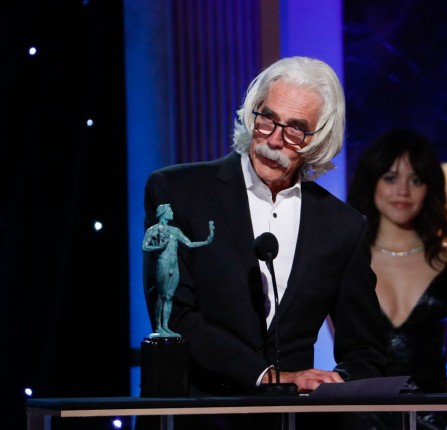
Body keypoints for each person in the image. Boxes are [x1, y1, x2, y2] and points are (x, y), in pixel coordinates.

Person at [142, 56, 388, 428]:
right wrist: (268, 377)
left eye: (295, 130)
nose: (273, 140)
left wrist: (332, 388)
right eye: (267, 119)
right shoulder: (177, 192)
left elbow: (366, 350)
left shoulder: (342, 226)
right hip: (196, 419)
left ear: (319, 139)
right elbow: (174, 319)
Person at [347, 129, 447, 430]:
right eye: (390, 178)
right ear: (372, 182)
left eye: (416, 180)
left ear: (430, 188)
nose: (403, 190)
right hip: (362, 418)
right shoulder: (344, 261)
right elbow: (348, 349)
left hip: (438, 415)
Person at [142, 203, 214, 336]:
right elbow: (144, 247)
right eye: (170, 211)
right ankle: (158, 326)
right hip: (163, 263)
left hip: (174, 266)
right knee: (161, 296)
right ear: (163, 213)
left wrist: (206, 241)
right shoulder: (153, 229)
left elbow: (189, 244)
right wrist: (159, 247)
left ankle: (165, 326)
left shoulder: (175, 230)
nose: (172, 213)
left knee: (170, 296)